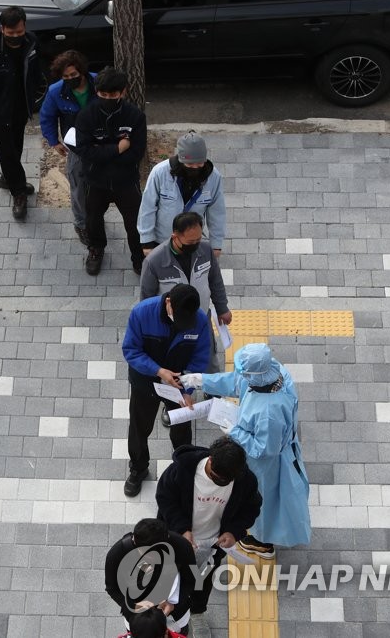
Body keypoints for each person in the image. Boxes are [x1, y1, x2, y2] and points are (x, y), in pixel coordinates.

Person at [181, 343, 311, 558]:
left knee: (262, 499)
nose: (242, 376)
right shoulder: (274, 374)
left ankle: (262, 541)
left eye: (245, 373)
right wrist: (202, 380)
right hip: (264, 454)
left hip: (264, 464)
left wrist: (235, 432)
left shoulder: (270, 412)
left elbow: (264, 449)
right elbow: (236, 381)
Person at [155, 437, 262, 638]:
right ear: (210, 460)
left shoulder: (245, 480)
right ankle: (160, 610)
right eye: (217, 477)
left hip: (212, 544)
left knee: (202, 582)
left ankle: (197, 613)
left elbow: (252, 508)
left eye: (227, 481)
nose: (222, 482)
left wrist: (234, 532)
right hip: (175, 538)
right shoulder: (183, 469)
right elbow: (164, 497)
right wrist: (181, 529)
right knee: (165, 573)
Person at [121, 284, 211, 497]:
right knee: (138, 428)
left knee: (182, 430)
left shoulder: (199, 321)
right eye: (178, 317)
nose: (182, 324)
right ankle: (139, 468)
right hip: (145, 383)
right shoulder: (142, 313)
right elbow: (131, 350)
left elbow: (200, 357)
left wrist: (188, 390)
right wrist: (159, 371)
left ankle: (184, 469)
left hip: (179, 386)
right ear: (169, 302)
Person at [74, 67, 147, 275]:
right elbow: (85, 151)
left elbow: (136, 153)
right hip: (95, 181)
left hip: (126, 181)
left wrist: (103, 153)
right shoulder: (86, 116)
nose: (107, 98)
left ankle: (138, 256)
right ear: (96, 92)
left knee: (134, 224)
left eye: (112, 94)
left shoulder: (135, 117)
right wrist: (118, 148)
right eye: (103, 94)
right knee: (93, 220)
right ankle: (96, 249)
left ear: (123, 92)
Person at [140, 212, 232, 373]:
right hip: (172, 324)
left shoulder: (205, 250)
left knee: (208, 359)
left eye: (198, 239)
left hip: (202, 318)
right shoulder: (154, 261)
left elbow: (215, 280)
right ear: (175, 236)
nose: (196, 244)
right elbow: (146, 298)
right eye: (191, 241)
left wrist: (222, 308)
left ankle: (213, 390)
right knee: (176, 361)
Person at [0, 6, 41, 221]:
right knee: (8, 153)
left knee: (17, 146)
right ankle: (18, 191)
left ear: (25, 27)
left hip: (21, 108)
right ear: (2, 29)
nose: (15, 37)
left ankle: (8, 178)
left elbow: (37, 72)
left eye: (19, 32)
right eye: (10, 33)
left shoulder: (31, 42)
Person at [39, 50, 95, 245]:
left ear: (81, 71)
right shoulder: (56, 91)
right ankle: (81, 224)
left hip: (100, 145)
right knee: (78, 188)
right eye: (65, 77)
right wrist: (54, 141)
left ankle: (95, 218)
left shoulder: (99, 83)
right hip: (76, 148)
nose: (70, 79)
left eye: (73, 75)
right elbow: (47, 117)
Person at [138, 131, 225, 256]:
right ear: (181, 159)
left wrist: (216, 244)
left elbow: (217, 212)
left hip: (193, 241)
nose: (195, 167)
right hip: (163, 241)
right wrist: (146, 242)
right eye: (190, 164)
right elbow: (147, 207)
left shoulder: (214, 177)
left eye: (200, 163)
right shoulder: (160, 173)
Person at [105, 518, 195, 635]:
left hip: (176, 613)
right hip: (138, 620)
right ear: (136, 545)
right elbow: (112, 588)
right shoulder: (117, 555)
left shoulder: (182, 546)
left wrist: (174, 604)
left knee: (181, 632)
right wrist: (135, 608)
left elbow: (192, 580)